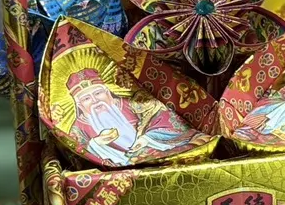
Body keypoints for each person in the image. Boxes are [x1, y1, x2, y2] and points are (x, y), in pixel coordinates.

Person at [65, 67, 198, 166]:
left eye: (98, 93)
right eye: (86, 98)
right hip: (121, 170)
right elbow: (78, 158)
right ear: (79, 105)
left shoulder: (132, 103)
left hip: (158, 151)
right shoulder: (78, 129)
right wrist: (96, 144)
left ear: (108, 92)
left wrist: (147, 139)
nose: (95, 101)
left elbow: (163, 116)